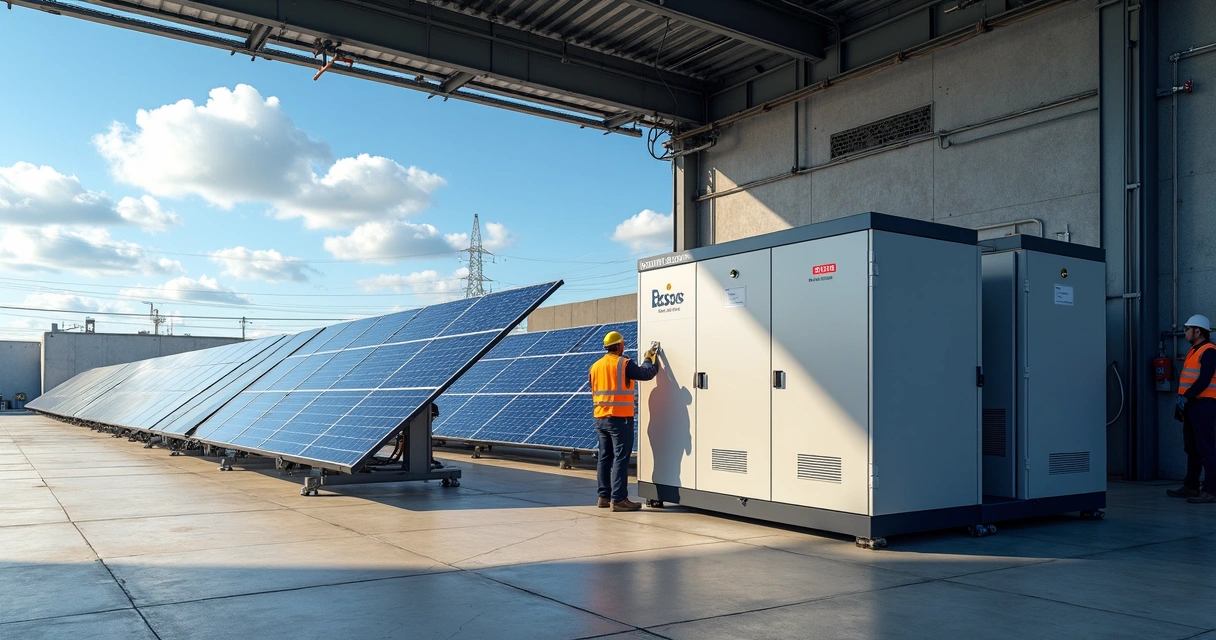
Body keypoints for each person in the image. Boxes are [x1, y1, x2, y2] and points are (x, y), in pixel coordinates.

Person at [589, 330, 658, 511]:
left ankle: (603, 496)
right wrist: (649, 358)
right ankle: (619, 499)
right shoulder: (623, 363)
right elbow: (646, 374)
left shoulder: (595, 366)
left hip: (600, 417)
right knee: (621, 457)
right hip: (619, 418)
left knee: (604, 457)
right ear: (619, 346)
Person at [1168, 314, 1216, 503]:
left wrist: (1185, 397)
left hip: (1204, 404)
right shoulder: (1194, 351)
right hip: (1192, 405)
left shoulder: (1209, 351)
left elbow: (1204, 380)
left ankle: (1211, 490)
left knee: (1206, 448)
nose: (1185, 332)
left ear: (1198, 331)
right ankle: (1191, 486)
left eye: (1188, 329)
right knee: (1192, 447)